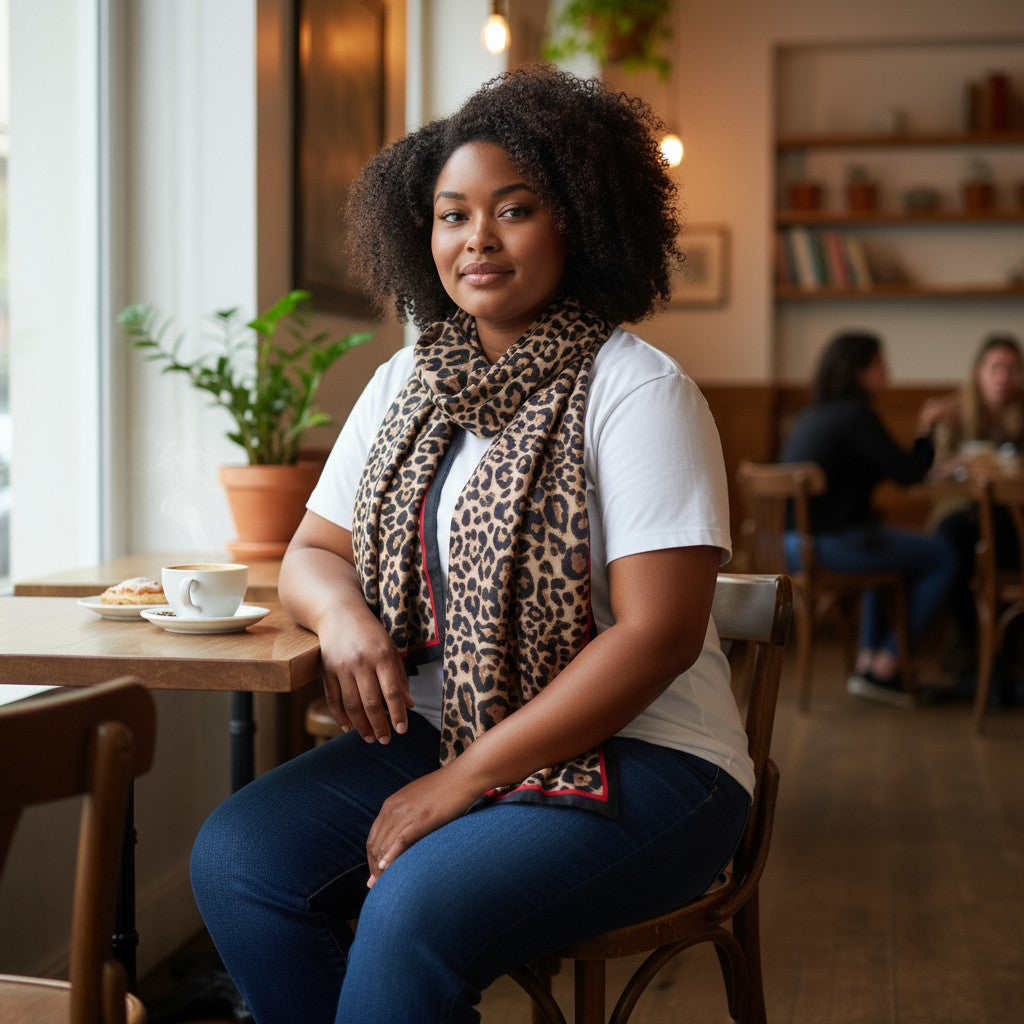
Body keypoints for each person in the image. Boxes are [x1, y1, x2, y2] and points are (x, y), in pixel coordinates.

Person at [190, 67, 752, 1024]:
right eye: (452, 216)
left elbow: (656, 637)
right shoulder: (405, 383)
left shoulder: (636, 391)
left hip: (647, 758)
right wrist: (344, 618)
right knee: (239, 861)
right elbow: (308, 555)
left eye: (515, 209)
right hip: (435, 734)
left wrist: (462, 781)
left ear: (580, 220)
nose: (477, 240)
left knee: (412, 909)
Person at [778, 330, 956, 707]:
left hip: (792, 546)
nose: (887, 374)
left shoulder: (812, 415)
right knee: (943, 554)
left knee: (884, 553)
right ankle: (887, 662)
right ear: (859, 371)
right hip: (832, 547)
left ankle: (869, 665)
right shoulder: (855, 415)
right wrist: (926, 426)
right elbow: (908, 473)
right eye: (880, 364)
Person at [921, 333, 1024, 691]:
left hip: (1011, 514)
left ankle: (1006, 657)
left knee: (1009, 545)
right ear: (979, 372)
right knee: (951, 546)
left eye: (1012, 368)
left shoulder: (1020, 414)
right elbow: (928, 472)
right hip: (960, 510)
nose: (1003, 377)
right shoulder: (953, 411)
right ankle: (971, 650)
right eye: (996, 367)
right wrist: (955, 463)